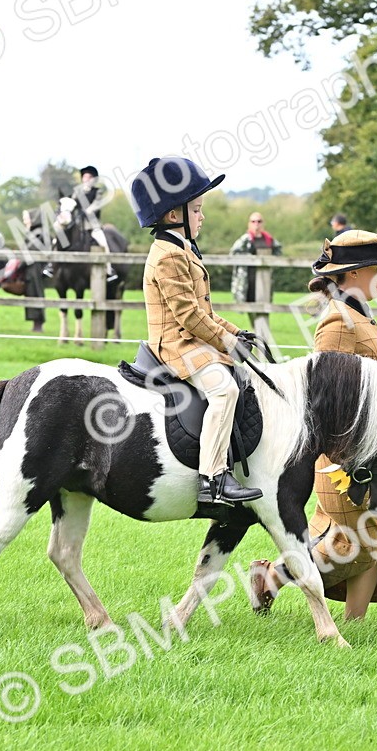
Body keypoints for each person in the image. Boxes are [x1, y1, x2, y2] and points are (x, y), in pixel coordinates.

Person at [248, 229, 377, 620]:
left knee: (375, 537)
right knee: (351, 545)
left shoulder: (359, 313)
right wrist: (347, 449)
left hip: (371, 448)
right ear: (355, 273)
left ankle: (354, 623)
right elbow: (325, 392)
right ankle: (273, 577)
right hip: (343, 454)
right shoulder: (339, 322)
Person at [131, 156, 261, 505]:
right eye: (197, 210)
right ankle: (213, 479)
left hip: (191, 340)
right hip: (175, 345)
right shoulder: (168, 256)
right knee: (224, 391)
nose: (203, 216)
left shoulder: (181, 248)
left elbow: (206, 311)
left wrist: (238, 333)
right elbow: (188, 316)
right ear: (175, 215)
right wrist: (227, 341)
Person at [229, 211, 282, 304]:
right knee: (250, 304)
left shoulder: (269, 239)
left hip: (265, 278)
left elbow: (278, 251)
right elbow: (233, 254)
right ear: (249, 224)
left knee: (264, 304)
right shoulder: (245, 240)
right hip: (248, 279)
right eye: (253, 221)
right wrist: (249, 258)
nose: (256, 224)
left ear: (263, 223)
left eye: (259, 221)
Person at [20, 208, 48, 333]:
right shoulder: (33, 232)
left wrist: (17, 266)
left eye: (26, 217)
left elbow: (29, 253)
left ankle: (38, 324)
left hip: (35, 270)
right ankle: (35, 324)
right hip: (31, 270)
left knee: (36, 294)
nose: (24, 220)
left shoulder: (38, 233)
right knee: (32, 294)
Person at [72, 165, 111, 252]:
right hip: (77, 224)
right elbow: (72, 203)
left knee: (104, 243)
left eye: (90, 177)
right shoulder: (77, 192)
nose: (87, 179)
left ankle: (108, 264)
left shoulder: (98, 191)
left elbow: (96, 205)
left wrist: (88, 210)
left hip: (92, 225)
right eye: (85, 177)